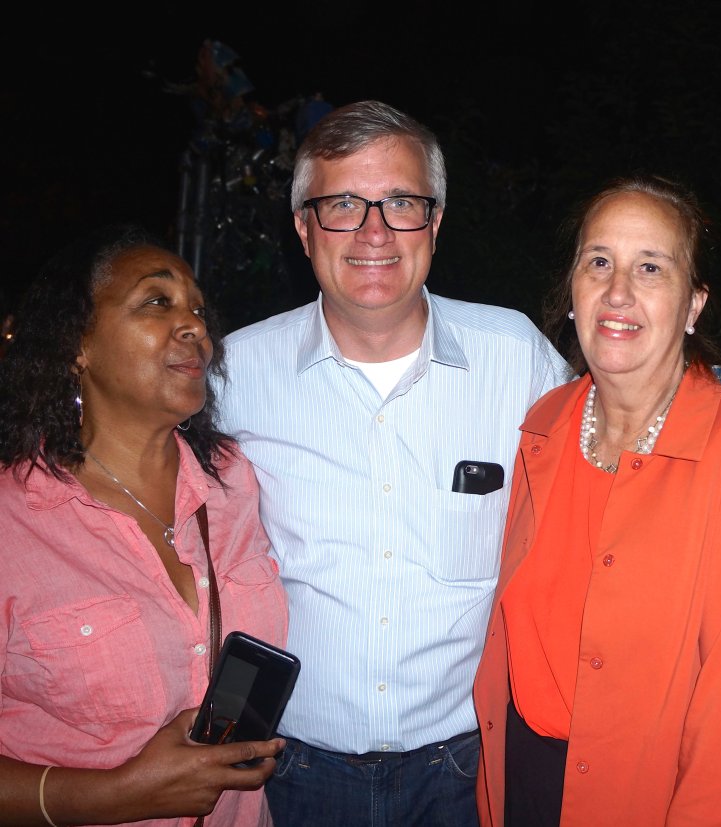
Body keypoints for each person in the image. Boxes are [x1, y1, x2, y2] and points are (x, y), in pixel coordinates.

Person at [215, 100, 570, 826]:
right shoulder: (234, 376)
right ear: (303, 226)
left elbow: (601, 507)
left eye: (400, 203)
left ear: (434, 223)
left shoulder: (520, 359)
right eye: (343, 203)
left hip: (466, 773)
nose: (374, 232)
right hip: (293, 773)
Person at [473, 175, 721, 826]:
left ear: (693, 304)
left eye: (650, 266)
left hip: (655, 799)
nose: (617, 291)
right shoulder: (543, 424)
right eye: (598, 261)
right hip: (522, 781)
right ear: (571, 291)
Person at [0, 224, 287, 825]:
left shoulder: (233, 483)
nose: (194, 327)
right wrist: (116, 795)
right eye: (157, 302)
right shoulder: (14, 521)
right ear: (76, 342)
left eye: (198, 310)